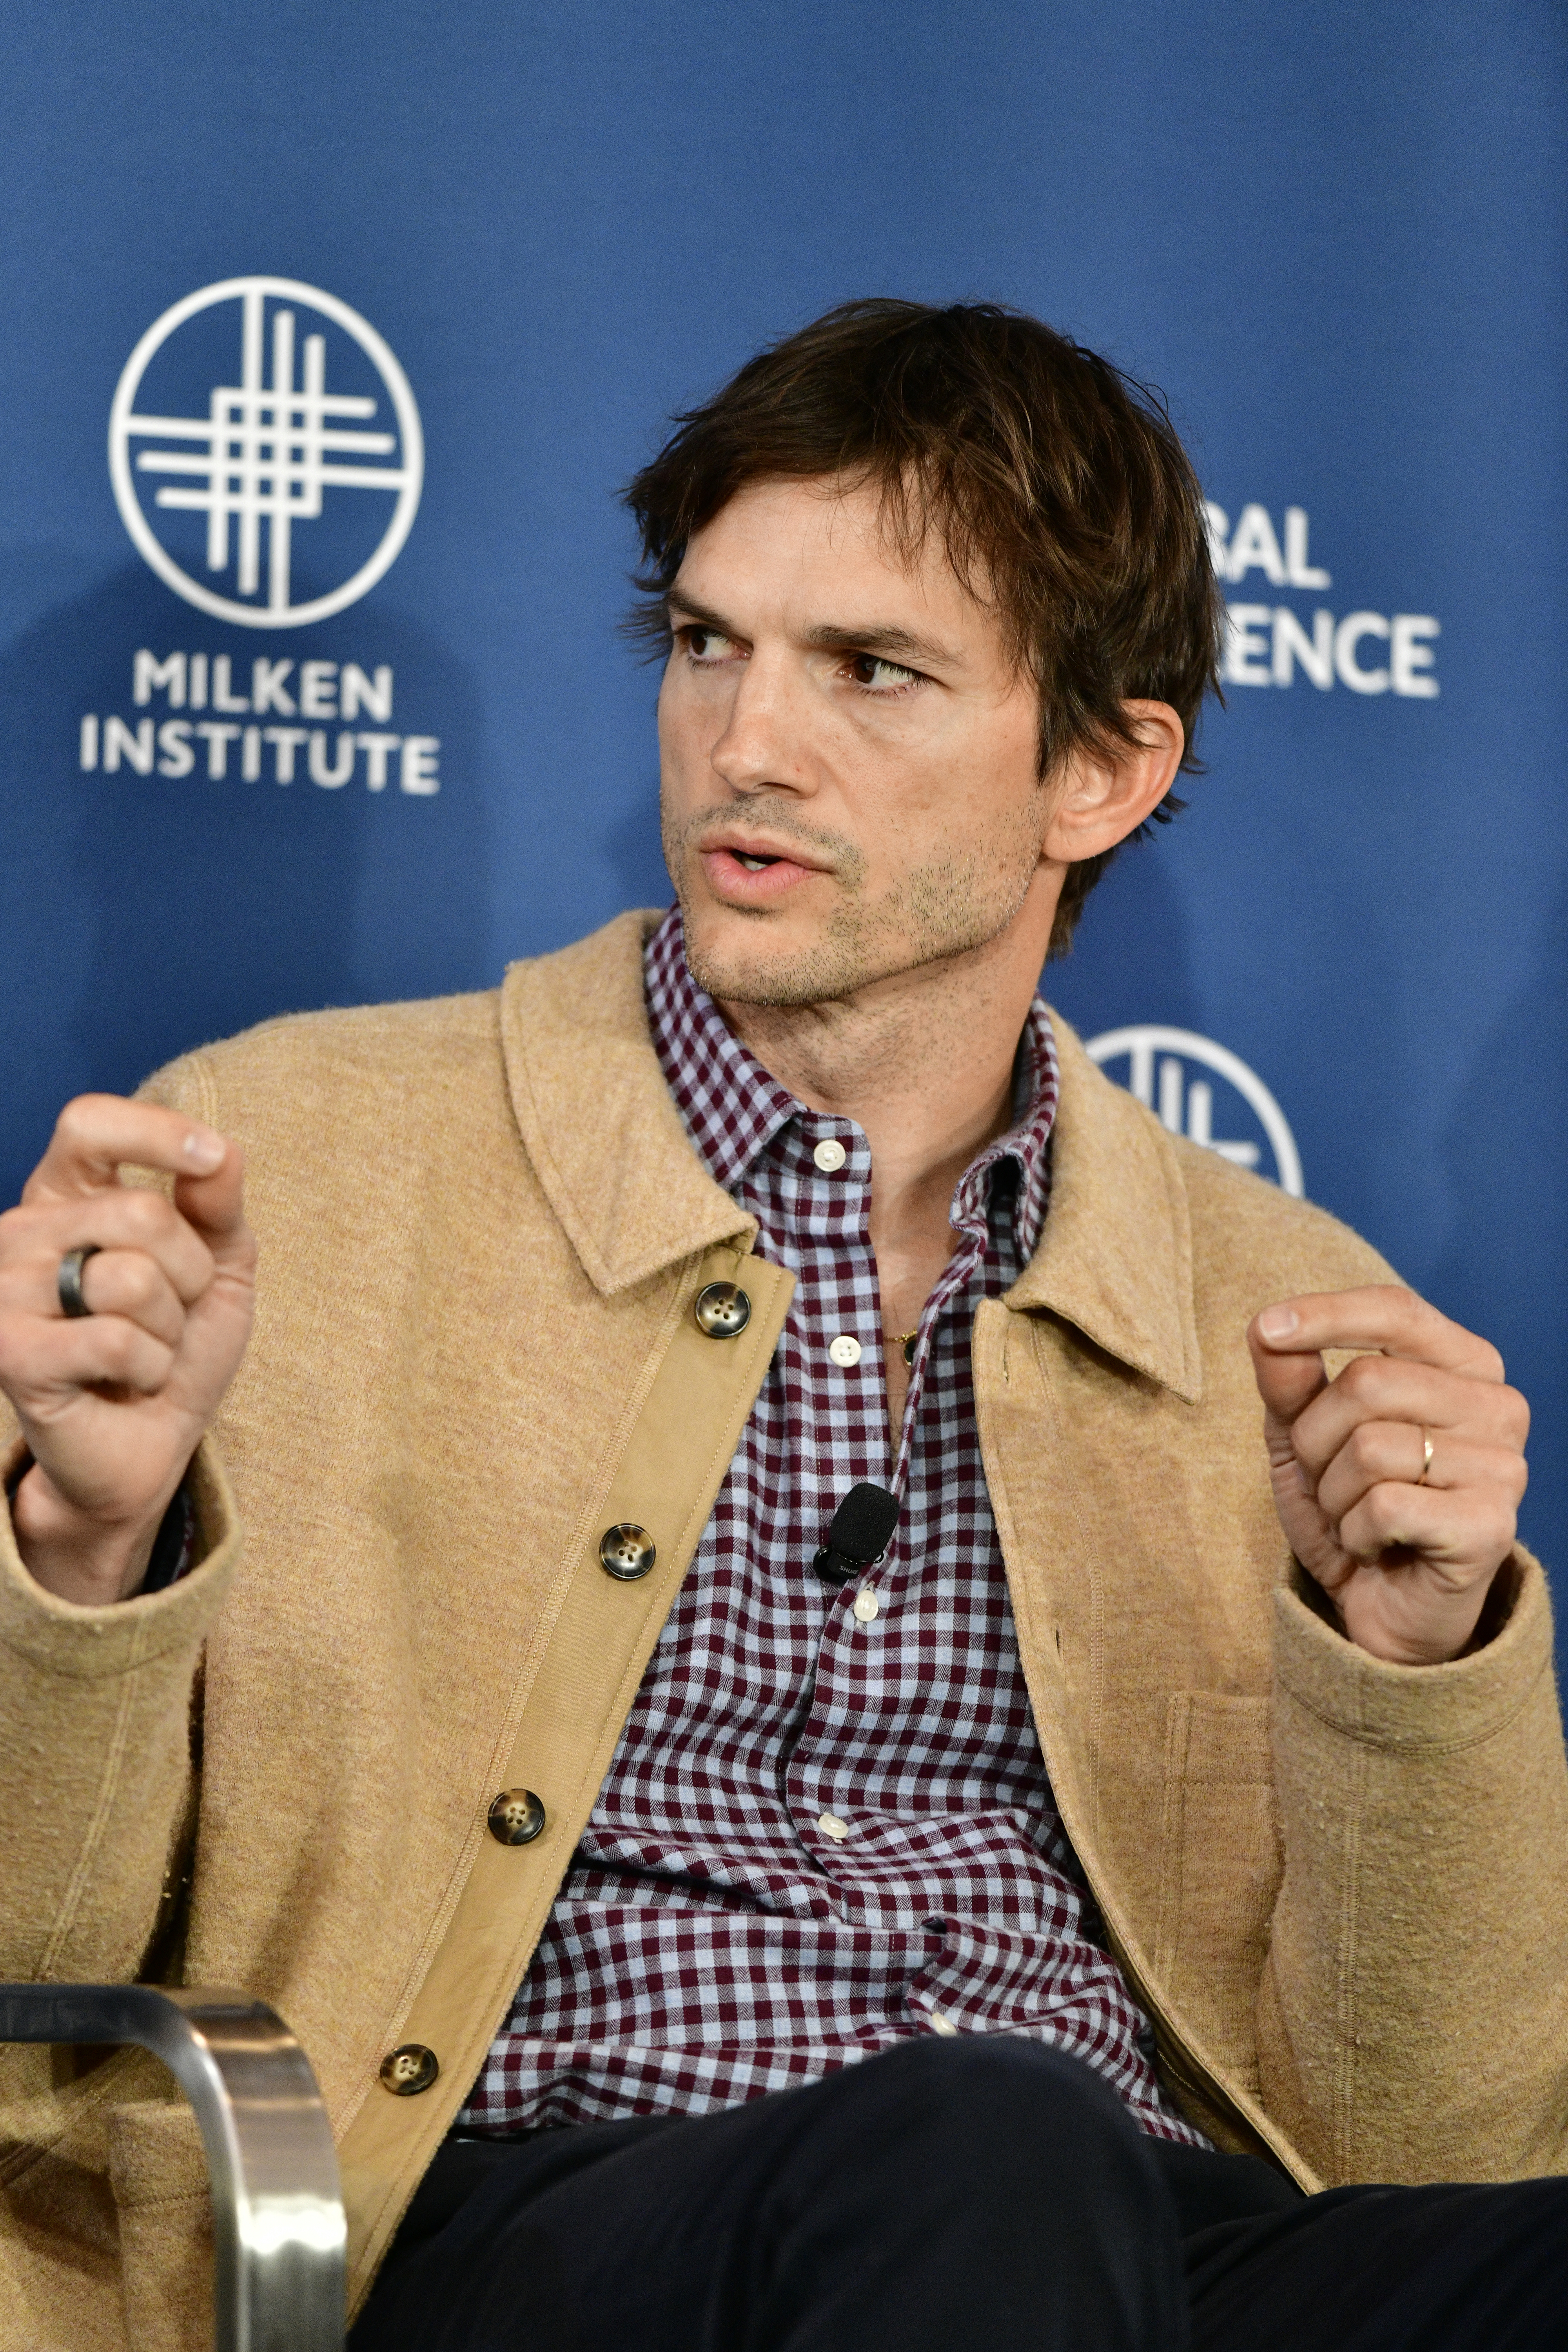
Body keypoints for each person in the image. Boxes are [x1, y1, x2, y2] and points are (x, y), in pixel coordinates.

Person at [1, 299, 1563, 2352]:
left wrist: (1409, 1672)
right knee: (974, 2155)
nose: (748, 739)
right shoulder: (287, 1160)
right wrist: (79, 1558)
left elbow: (1429, 2138)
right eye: (712, 643)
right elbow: (32, 1979)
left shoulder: (1278, 1304)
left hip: (1108, 2239)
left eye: (874, 674)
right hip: (514, 2223)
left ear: (1100, 769)